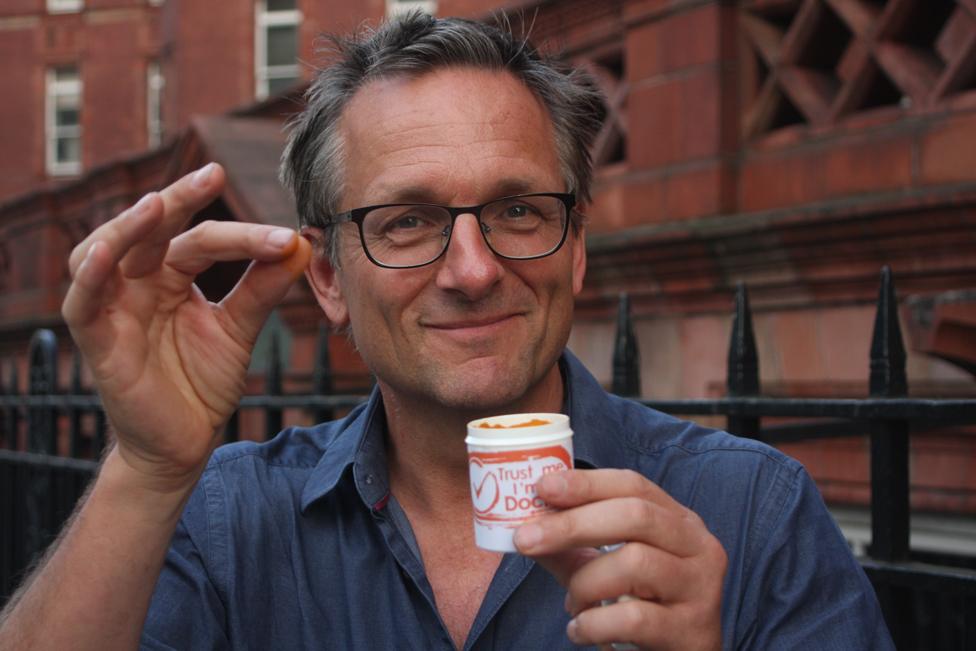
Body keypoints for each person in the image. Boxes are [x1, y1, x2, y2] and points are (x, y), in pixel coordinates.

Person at [0, 12, 893, 651]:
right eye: (407, 222)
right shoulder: (227, 520)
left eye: (517, 208)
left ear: (576, 248)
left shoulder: (753, 515)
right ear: (327, 280)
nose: (472, 269)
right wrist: (147, 470)